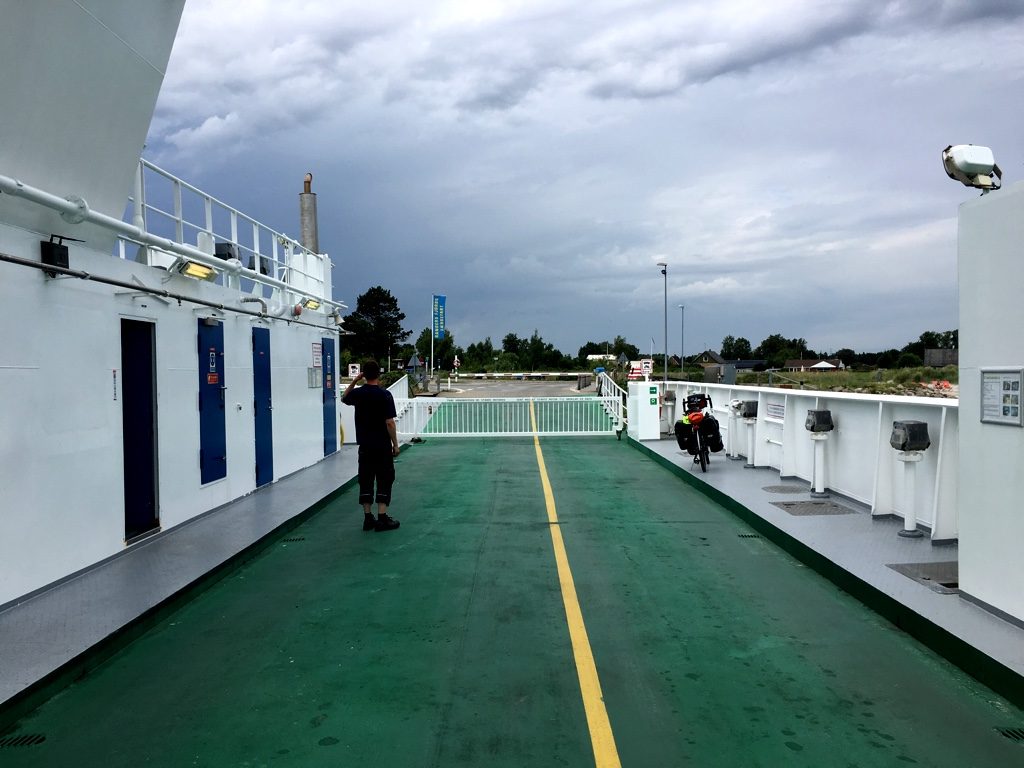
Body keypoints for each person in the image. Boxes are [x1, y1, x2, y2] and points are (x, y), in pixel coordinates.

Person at [341, 360, 401, 532]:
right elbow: (389, 423)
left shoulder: (358, 394)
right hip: (381, 446)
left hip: (365, 446)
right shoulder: (385, 395)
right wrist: (395, 445)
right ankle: (382, 518)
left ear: (364, 375)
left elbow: (345, 397)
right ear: (379, 375)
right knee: (385, 478)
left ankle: (368, 518)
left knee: (366, 479)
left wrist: (354, 381)